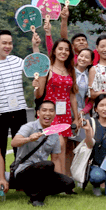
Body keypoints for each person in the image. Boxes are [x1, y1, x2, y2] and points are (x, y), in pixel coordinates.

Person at [10, 100, 76, 206]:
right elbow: (14, 142)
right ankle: (36, 199)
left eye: (51, 111)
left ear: (54, 114)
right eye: (44, 110)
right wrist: (29, 139)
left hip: (43, 172)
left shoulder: (54, 134)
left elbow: (56, 159)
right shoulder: (29, 127)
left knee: (69, 183)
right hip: (24, 171)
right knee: (47, 165)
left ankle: (33, 189)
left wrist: (59, 177)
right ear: (38, 113)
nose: (47, 113)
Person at [33, 38, 79, 174]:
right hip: (50, 113)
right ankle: (57, 179)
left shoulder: (70, 70)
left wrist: (76, 118)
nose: (63, 52)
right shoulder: (47, 69)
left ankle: (61, 179)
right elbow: (39, 95)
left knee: (61, 150)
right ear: (54, 51)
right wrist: (36, 86)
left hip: (65, 114)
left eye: (66, 50)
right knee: (59, 145)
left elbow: (72, 96)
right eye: (60, 49)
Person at [0, 30, 30, 168]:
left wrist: (35, 46)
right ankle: (0, 177)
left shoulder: (16, 60)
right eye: (4, 43)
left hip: (19, 110)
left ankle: (20, 176)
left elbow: (35, 67)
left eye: (10, 43)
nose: (7, 46)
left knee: (21, 148)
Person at [83, 95, 106, 197]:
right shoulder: (91, 122)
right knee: (98, 176)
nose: (105, 108)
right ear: (96, 109)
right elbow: (89, 145)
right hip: (95, 165)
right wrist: (87, 131)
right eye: (101, 105)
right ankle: (96, 185)